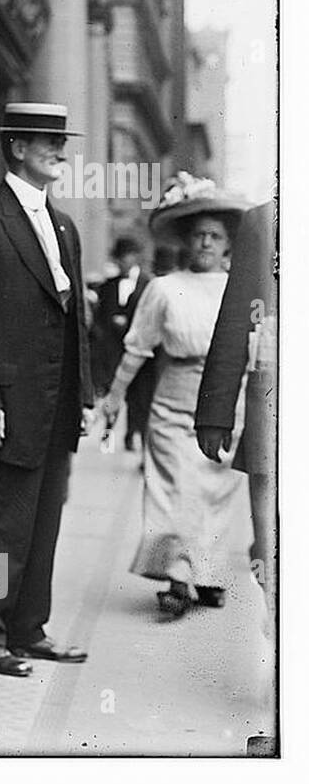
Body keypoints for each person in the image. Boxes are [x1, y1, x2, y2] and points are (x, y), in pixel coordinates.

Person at [0, 102, 94, 677]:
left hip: (54, 406)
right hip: (3, 406)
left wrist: (84, 395)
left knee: (44, 522)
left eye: (61, 141)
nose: (59, 151)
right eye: (46, 141)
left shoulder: (62, 225)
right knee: (2, 524)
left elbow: (74, 318)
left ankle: (28, 630)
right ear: (16, 149)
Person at [102, 174, 252, 617]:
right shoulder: (164, 289)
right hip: (171, 403)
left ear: (228, 245)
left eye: (215, 236)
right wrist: (113, 400)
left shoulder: (239, 291)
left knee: (215, 493)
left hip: (226, 403)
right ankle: (177, 577)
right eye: (199, 235)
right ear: (186, 241)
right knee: (176, 489)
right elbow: (137, 349)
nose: (206, 243)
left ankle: (204, 574)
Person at [196, 200, 276, 631]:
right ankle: (278, 612)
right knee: (272, 521)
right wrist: (215, 410)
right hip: (276, 385)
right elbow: (238, 315)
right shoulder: (265, 219)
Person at [92, 237, 157, 450]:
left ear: (135, 257)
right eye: (119, 259)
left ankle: (132, 435)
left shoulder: (148, 284)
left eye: (125, 258)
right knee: (114, 393)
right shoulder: (108, 286)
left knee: (138, 398)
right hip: (114, 350)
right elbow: (100, 319)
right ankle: (107, 437)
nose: (122, 263)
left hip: (139, 351)